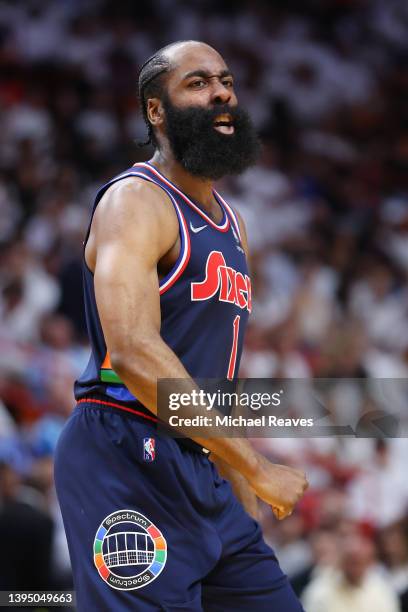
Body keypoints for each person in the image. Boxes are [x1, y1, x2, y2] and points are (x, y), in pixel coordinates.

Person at [54, 40, 308, 611]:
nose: (220, 92)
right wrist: (257, 466)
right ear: (155, 111)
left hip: (200, 463)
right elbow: (135, 353)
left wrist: (237, 491)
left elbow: (221, 380)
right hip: (124, 448)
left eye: (226, 81)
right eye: (197, 83)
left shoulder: (232, 223)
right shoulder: (135, 201)